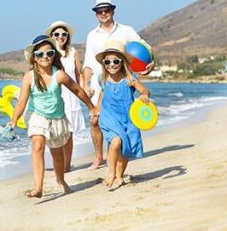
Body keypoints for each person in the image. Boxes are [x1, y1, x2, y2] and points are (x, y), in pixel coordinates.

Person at [9, 35, 99, 198]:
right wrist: (13, 120)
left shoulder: (59, 75)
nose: (45, 57)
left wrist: (91, 107)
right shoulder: (29, 77)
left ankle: (60, 179)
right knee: (37, 146)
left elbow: (77, 90)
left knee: (57, 154)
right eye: (40, 54)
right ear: (34, 57)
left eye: (49, 53)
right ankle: (38, 187)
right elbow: (22, 102)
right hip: (37, 116)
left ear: (54, 55)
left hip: (57, 118)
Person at [81, 0, 154, 170]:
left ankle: (113, 156)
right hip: (101, 83)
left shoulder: (127, 30)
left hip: (122, 82)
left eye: (106, 10)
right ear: (96, 14)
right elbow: (88, 62)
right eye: (99, 11)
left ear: (113, 11)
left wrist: (152, 62)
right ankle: (99, 157)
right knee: (95, 121)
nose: (103, 13)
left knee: (118, 122)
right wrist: (85, 84)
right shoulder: (92, 35)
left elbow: (144, 48)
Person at [94, 40, 150, 190]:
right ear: (104, 63)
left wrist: (144, 95)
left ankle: (120, 175)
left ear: (122, 61)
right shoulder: (102, 78)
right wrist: (97, 108)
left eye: (115, 61)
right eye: (107, 62)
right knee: (116, 142)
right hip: (109, 116)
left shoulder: (129, 78)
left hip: (128, 117)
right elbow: (103, 93)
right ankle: (111, 173)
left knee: (126, 148)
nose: (111, 65)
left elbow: (144, 90)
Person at [44, 21, 86, 172]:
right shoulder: (48, 53)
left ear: (67, 37)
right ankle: (58, 164)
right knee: (54, 131)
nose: (60, 37)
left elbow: (78, 74)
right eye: (56, 34)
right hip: (55, 95)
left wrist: (83, 90)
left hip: (71, 95)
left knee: (68, 133)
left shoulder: (73, 52)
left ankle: (66, 165)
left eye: (64, 34)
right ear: (51, 36)